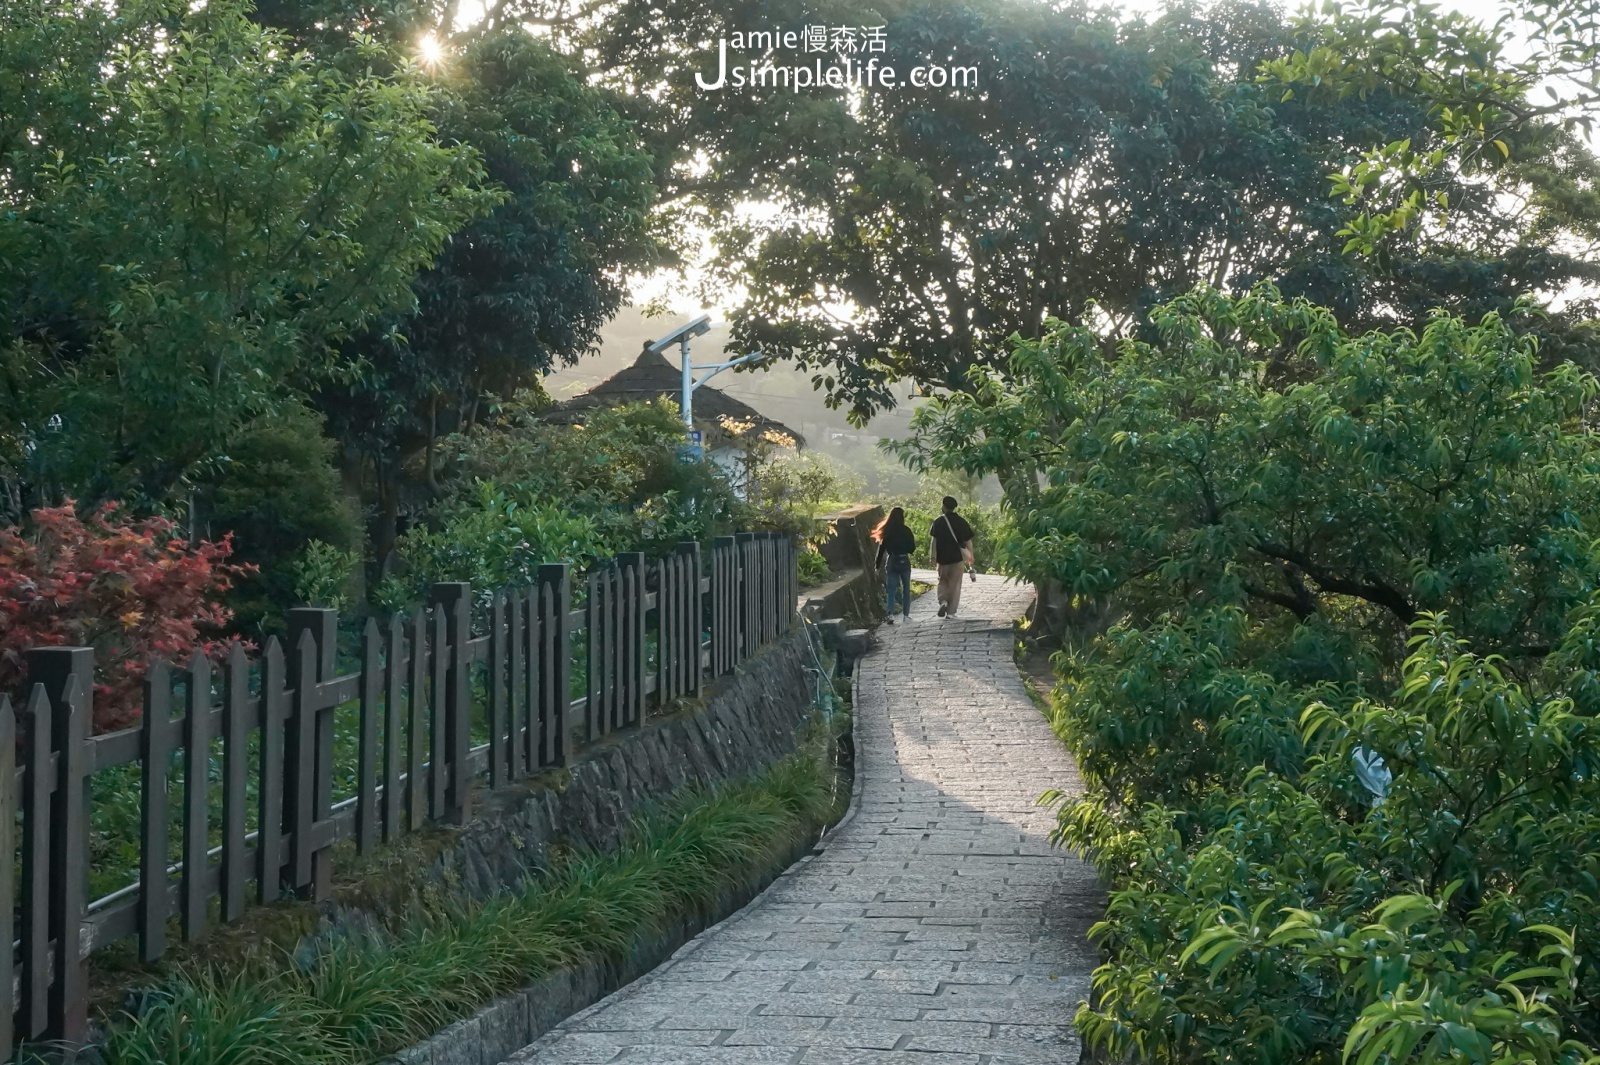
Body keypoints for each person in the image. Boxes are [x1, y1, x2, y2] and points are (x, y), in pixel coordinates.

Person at [929, 496, 975, 617]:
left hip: (942, 560)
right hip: (957, 559)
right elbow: (968, 541)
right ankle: (951, 612)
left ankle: (943, 601)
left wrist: (933, 557)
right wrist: (970, 555)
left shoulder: (938, 522)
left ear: (943, 506)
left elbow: (934, 541)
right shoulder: (961, 521)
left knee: (942, 581)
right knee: (955, 585)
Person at [873, 506, 915, 623]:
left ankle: (890, 614)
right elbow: (912, 548)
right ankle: (906, 615)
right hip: (904, 560)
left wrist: (876, 567)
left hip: (892, 561)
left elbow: (881, 550)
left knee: (890, 589)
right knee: (906, 589)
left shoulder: (887, 531)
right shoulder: (906, 530)